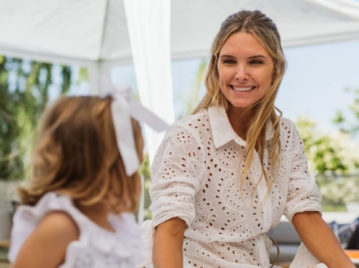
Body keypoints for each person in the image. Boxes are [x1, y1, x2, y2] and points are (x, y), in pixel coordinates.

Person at [149, 10, 354, 268]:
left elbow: (306, 215)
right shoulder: (189, 136)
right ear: (216, 66)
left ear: (276, 68)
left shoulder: (286, 136)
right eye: (229, 61)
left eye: (255, 62)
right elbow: (169, 231)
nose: (240, 74)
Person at [8, 95, 146, 268]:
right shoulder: (61, 227)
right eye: (133, 167)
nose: (136, 177)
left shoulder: (121, 225)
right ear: (102, 166)